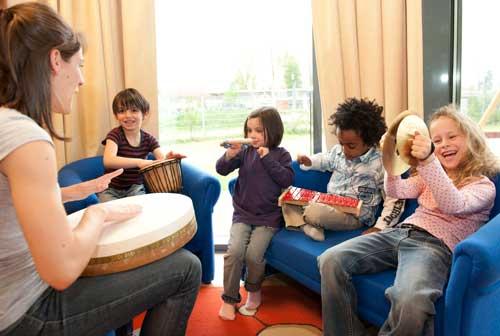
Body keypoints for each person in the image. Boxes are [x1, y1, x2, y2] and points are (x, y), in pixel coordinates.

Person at [0, 3, 200, 336]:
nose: (81, 79)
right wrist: (98, 216)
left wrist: (73, 192)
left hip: (13, 299)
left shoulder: (6, 123)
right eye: (78, 65)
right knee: (186, 269)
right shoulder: (25, 136)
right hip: (26, 313)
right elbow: (62, 270)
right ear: (54, 60)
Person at [318, 105, 499, 336]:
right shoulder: (428, 174)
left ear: (472, 140)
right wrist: (389, 158)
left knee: (411, 302)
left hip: (434, 246)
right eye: (437, 140)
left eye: (452, 136)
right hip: (400, 232)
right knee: (330, 259)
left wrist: (429, 161)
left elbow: (453, 204)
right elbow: (397, 190)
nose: (444, 144)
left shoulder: (483, 185)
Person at [282, 97, 404, 241]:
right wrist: (310, 161)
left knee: (315, 212)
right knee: (285, 196)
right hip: (328, 203)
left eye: (351, 146)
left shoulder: (381, 163)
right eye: (341, 143)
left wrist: (380, 227)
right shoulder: (338, 152)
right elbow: (325, 160)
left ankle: (305, 222)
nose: (345, 150)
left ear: (369, 141)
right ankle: (308, 227)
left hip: (352, 216)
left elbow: (395, 199)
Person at [215, 106, 294, 320]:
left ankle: (253, 290)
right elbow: (221, 170)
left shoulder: (281, 154)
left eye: (259, 131)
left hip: (268, 218)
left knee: (253, 255)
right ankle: (229, 299)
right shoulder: (245, 152)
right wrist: (229, 154)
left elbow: (286, 180)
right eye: (249, 131)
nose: (252, 136)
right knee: (234, 253)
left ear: (272, 130)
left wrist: (267, 158)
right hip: (243, 215)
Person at [99, 87, 185, 203]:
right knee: (108, 213)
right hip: (110, 189)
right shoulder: (115, 135)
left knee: (140, 213)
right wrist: (139, 162)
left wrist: (167, 159)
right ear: (116, 116)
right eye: (121, 111)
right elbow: (108, 160)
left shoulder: (149, 139)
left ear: (144, 113)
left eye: (134, 110)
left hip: (135, 188)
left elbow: (160, 161)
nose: (127, 115)